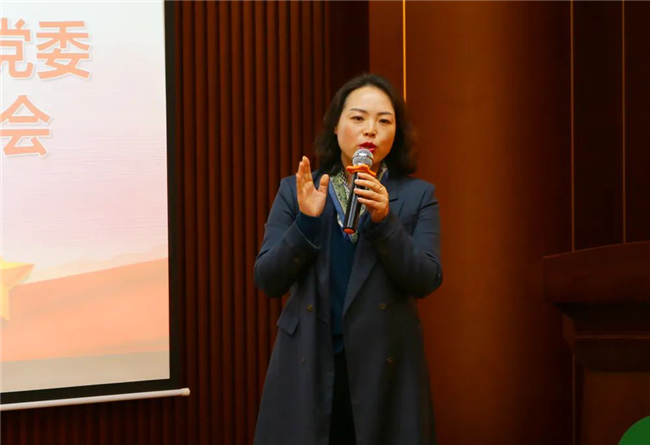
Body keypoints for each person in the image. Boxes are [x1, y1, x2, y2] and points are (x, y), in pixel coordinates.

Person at [253, 73, 443, 445]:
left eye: (384, 121)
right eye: (358, 117)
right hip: (309, 361)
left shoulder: (418, 196)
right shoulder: (297, 190)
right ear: (336, 127)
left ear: (396, 132)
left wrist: (385, 221)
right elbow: (267, 279)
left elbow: (427, 278)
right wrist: (306, 223)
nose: (371, 129)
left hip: (385, 367)